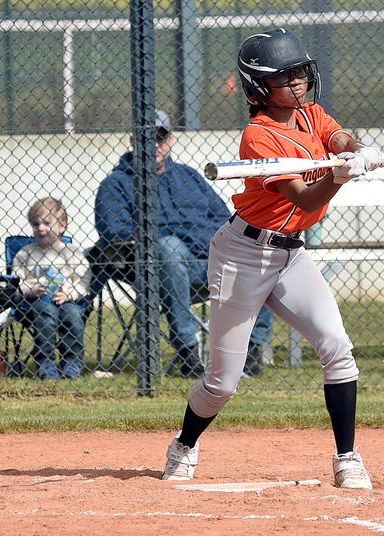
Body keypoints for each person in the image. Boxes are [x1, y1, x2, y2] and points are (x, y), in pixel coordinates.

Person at [161, 28, 384, 489]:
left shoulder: (309, 114)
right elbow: (304, 199)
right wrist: (340, 179)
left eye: (301, 72)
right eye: (286, 77)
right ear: (260, 86)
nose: (298, 83)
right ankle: (184, 443)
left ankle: (348, 458)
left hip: (291, 255)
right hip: (242, 255)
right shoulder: (258, 139)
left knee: (337, 347)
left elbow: (337, 134)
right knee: (223, 382)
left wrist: (358, 151)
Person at [94, 109, 273, 378]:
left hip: (210, 260)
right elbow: (115, 232)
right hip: (155, 269)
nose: (154, 145)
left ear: (170, 140)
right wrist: (175, 235)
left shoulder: (188, 176)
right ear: (132, 140)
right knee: (168, 246)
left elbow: (224, 219)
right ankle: (188, 352)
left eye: (160, 137)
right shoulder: (115, 185)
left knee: (263, 250)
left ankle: (251, 350)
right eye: (145, 138)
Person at [12, 197, 91, 380]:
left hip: (66, 299)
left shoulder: (72, 253)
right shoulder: (26, 253)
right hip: (38, 301)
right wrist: (29, 290)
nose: (40, 228)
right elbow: (16, 282)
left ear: (62, 225)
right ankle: (45, 363)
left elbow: (84, 280)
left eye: (47, 223)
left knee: (72, 316)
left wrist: (70, 293)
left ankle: (72, 362)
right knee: (45, 314)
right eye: (35, 224)